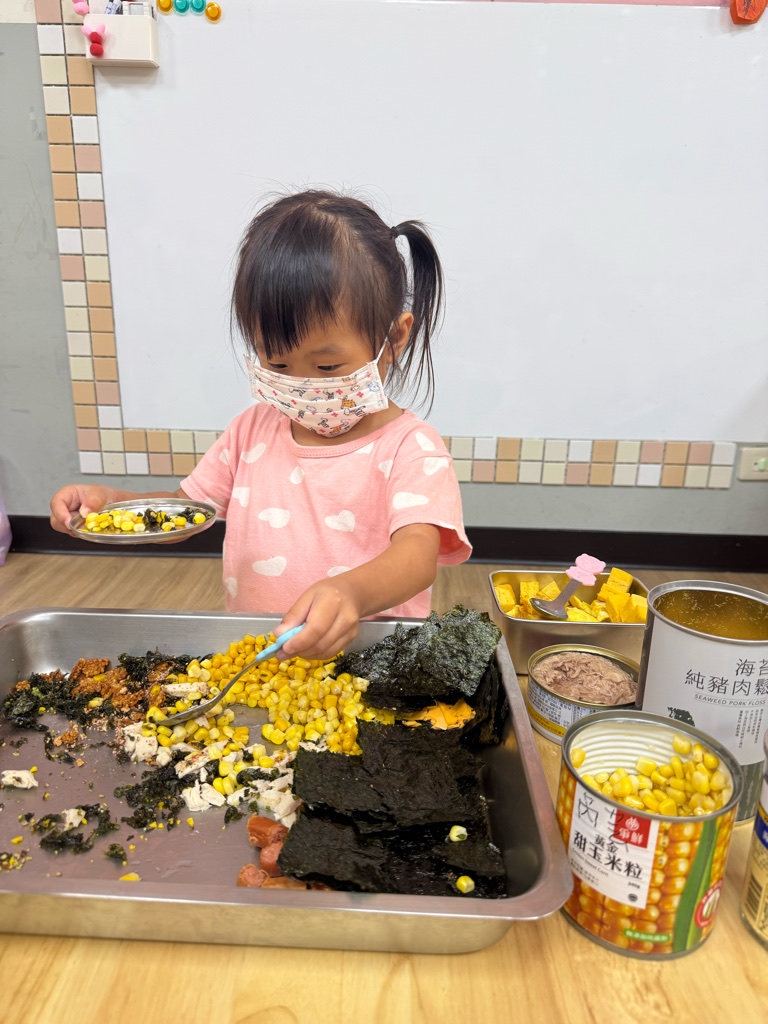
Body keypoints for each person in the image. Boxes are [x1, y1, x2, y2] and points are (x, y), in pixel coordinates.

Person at [50, 191, 471, 658]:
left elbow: (416, 558)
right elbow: (185, 510)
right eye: (278, 364)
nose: (304, 384)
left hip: (370, 664)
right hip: (262, 660)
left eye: (327, 367)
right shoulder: (251, 431)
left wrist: (350, 592)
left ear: (394, 337)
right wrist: (111, 506)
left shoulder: (411, 448)